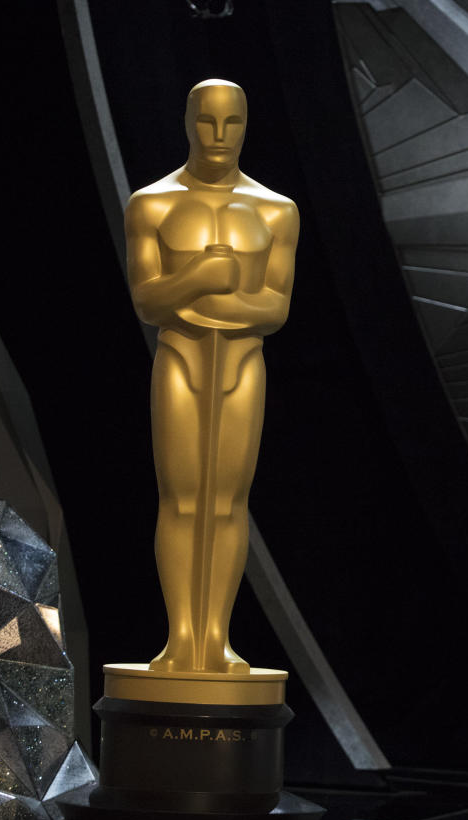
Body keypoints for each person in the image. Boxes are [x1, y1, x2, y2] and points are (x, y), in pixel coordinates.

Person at [125, 79, 300, 674]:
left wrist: (204, 300)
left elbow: (274, 310)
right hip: (180, 360)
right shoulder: (152, 204)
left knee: (227, 502)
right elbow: (148, 302)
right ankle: (180, 639)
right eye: (207, 122)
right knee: (179, 499)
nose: (219, 137)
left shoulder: (276, 210)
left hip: (243, 366)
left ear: (247, 125)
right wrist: (200, 279)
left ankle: (217, 640)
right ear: (188, 122)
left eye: (232, 123)